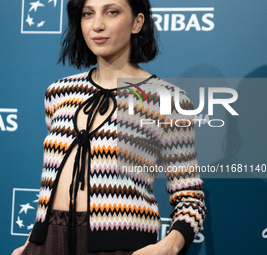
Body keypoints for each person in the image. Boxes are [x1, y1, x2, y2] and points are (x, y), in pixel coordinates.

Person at [12, 0, 207, 254]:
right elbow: (55, 180)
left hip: (121, 244)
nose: (97, 25)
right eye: (88, 14)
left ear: (138, 22)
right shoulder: (58, 93)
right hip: (48, 242)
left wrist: (170, 245)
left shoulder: (166, 100)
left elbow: (190, 195)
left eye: (111, 12)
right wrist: (31, 243)